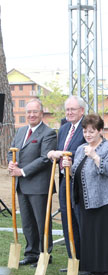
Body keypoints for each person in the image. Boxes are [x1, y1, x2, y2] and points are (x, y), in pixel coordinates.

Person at [62, 114, 108, 275]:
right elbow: (77, 174)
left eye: (92, 131)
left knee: (106, 239)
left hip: (107, 201)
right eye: (85, 131)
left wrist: (96, 157)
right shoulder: (82, 147)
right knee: (91, 238)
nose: (88, 134)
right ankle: (96, 272)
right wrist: (67, 168)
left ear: (100, 131)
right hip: (88, 200)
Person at [7, 99, 57, 266]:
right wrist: (11, 163)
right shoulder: (21, 131)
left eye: (35, 112)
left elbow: (45, 159)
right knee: (27, 222)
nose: (31, 115)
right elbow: (12, 151)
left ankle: (45, 254)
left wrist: (21, 171)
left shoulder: (48, 133)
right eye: (29, 112)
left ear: (41, 113)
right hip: (22, 186)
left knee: (42, 222)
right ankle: (31, 253)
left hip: (39, 186)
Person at [47, 96, 86, 270]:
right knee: (66, 219)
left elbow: (83, 151)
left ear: (82, 111)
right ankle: (73, 260)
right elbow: (58, 151)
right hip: (64, 179)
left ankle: (85, 261)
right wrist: (53, 154)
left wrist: (61, 153)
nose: (69, 113)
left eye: (73, 109)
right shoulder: (63, 129)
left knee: (79, 219)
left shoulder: (87, 128)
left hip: (80, 182)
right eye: (67, 110)